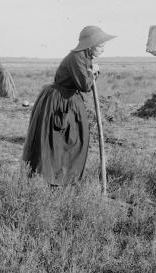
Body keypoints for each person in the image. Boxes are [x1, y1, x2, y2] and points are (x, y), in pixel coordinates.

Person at [21, 26, 115, 186]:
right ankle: (49, 179)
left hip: (69, 100)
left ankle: (63, 179)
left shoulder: (85, 57)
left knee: (73, 140)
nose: (103, 49)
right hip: (58, 102)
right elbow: (85, 85)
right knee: (54, 141)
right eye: (100, 46)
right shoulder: (76, 57)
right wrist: (93, 72)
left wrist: (92, 71)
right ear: (90, 45)